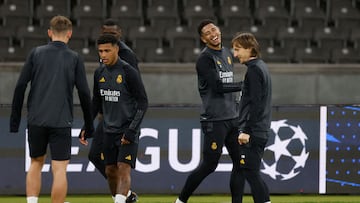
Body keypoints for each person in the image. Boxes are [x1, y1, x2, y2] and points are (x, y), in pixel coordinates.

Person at [9, 15, 93, 203]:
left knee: (35, 163)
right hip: (61, 120)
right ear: (70, 34)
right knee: (60, 168)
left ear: (49, 33)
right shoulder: (74, 58)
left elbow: (20, 86)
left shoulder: (35, 53)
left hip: (36, 119)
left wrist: (15, 121)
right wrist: (89, 126)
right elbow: (85, 94)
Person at [175, 19, 243, 203]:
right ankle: (181, 200)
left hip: (233, 118)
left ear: (219, 30)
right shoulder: (205, 59)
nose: (212, 33)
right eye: (207, 32)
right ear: (203, 39)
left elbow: (228, 85)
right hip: (215, 120)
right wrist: (244, 85)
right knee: (209, 165)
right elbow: (218, 86)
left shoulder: (228, 53)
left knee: (241, 163)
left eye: (214, 29)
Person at [80, 34, 148, 203]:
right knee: (110, 170)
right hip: (108, 129)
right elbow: (96, 101)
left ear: (116, 49)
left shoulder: (128, 72)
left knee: (123, 169)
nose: (103, 55)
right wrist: (87, 125)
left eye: (107, 51)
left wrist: (132, 131)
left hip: (127, 130)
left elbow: (143, 102)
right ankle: (124, 198)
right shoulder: (99, 73)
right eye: (100, 51)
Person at [232, 32, 272, 203]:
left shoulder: (254, 70)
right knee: (250, 171)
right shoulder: (261, 66)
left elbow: (256, 103)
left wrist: (246, 130)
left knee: (250, 172)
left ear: (250, 49)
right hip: (260, 129)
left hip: (254, 131)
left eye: (238, 49)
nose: (235, 54)